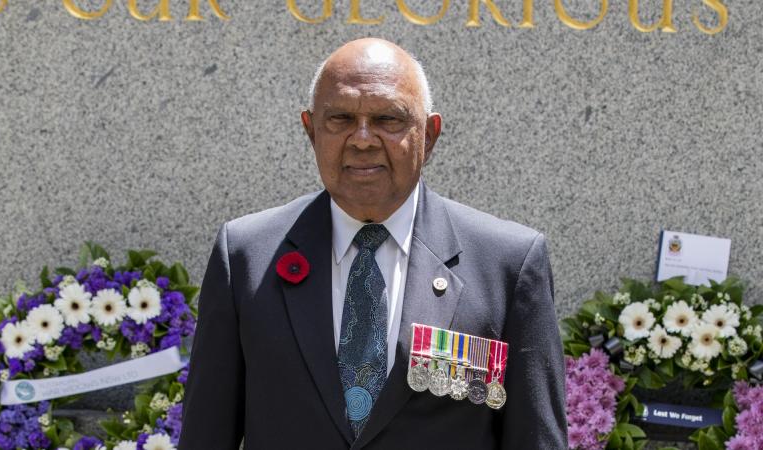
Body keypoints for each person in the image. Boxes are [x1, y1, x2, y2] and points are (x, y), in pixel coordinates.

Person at [179, 38, 566, 449]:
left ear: (429, 135)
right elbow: (206, 435)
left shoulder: (508, 264)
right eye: (340, 118)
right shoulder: (245, 257)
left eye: (388, 119)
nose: (362, 139)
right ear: (311, 131)